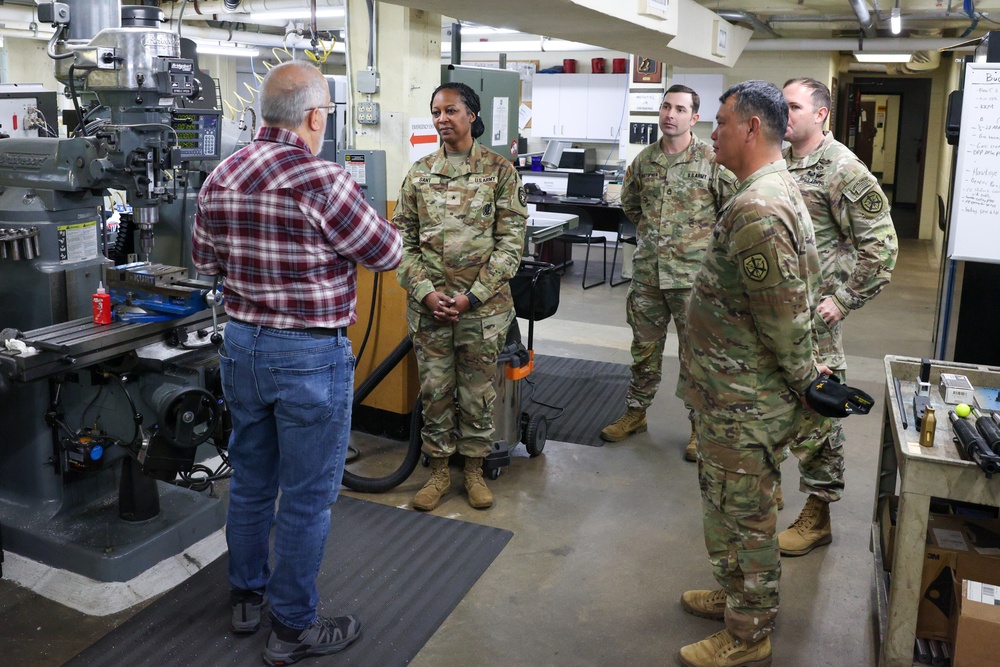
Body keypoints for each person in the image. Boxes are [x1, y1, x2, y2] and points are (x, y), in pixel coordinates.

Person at [192, 60, 402, 666]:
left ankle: (246, 599)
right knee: (307, 497)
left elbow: (207, 260)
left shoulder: (221, 174)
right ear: (315, 116)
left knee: (252, 482)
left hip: (243, 348)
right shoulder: (325, 181)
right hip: (309, 354)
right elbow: (385, 252)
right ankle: (293, 627)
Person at [678, 80, 825, 667]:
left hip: (746, 400)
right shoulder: (763, 191)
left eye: (718, 122)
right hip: (729, 393)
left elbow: (786, 323)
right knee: (727, 505)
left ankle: (748, 631)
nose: (710, 132)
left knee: (746, 514)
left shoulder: (757, 208)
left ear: (751, 129)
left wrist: (803, 387)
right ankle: (735, 591)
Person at [778, 77, 898, 557]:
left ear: (821, 113)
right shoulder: (783, 163)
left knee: (818, 413)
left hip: (816, 319)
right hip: (781, 315)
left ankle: (818, 514)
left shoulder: (843, 169)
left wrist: (844, 299)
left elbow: (882, 247)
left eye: (793, 106)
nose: (784, 114)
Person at [394, 82, 527, 512]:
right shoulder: (419, 173)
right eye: (436, 111)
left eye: (450, 110)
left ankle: (472, 469)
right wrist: (427, 294)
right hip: (429, 309)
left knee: (476, 393)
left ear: (471, 115)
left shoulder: (500, 171)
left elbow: (511, 245)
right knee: (435, 391)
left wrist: (473, 296)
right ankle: (437, 471)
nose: (441, 119)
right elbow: (403, 243)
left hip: (482, 311)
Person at [599, 85, 735, 463]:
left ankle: (698, 428)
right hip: (648, 276)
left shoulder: (712, 159)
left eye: (680, 109)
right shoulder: (644, 161)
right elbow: (631, 205)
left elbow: (733, 210)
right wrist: (657, 239)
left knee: (696, 357)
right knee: (643, 351)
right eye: (666, 106)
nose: (669, 114)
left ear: (694, 118)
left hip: (694, 280)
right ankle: (636, 413)